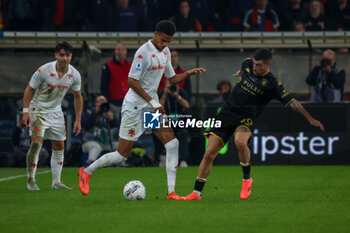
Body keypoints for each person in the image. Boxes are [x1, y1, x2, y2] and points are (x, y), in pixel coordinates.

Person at [78, 20, 206, 199]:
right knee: (121, 155)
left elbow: (172, 78)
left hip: (150, 107)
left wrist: (188, 73)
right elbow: (132, 81)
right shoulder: (143, 52)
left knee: (172, 143)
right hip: (134, 107)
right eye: (162, 40)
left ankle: (171, 192)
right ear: (155, 34)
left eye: (168, 42)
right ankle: (87, 171)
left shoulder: (166, 51)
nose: (164, 45)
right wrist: (153, 102)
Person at [182, 49, 325, 200]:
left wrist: (310, 118)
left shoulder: (272, 84)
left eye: (259, 65)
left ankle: (246, 179)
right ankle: (196, 193)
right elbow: (246, 62)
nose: (255, 67)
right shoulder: (248, 64)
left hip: (245, 118)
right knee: (209, 153)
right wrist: (240, 72)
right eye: (254, 64)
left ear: (268, 64)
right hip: (227, 112)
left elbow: (293, 102)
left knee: (240, 142)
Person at [22, 41, 83, 191]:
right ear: (56, 55)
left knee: (59, 146)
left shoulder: (74, 74)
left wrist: (78, 119)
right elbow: (29, 90)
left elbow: (78, 96)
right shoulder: (44, 70)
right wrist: (26, 111)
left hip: (56, 111)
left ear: (71, 57)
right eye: (61, 55)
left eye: (67, 55)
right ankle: (31, 180)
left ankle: (56, 182)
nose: (64, 58)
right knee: (37, 143)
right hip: (38, 109)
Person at [153, 80, 191, 167]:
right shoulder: (161, 93)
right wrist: (165, 94)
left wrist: (177, 96)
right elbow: (158, 109)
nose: (171, 85)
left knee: (183, 134)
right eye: (169, 83)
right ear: (166, 84)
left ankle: (182, 160)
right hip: (165, 122)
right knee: (159, 133)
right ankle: (161, 158)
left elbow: (187, 106)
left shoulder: (181, 92)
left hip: (179, 122)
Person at [82, 95, 118, 166]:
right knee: (96, 147)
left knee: (119, 146)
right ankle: (90, 163)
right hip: (90, 142)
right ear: (95, 103)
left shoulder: (110, 113)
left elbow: (117, 127)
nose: (101, 103)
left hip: (107, 143)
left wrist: (112, 119)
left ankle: (122, 164)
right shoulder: (89, 112)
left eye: (103, 101)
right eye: (99, 102)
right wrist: (95, 113)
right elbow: (85, 124)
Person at [100, 42, 131, 119]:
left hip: (128, 104)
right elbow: (104, 86)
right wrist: (108, 103)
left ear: (125, 51)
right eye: (118, 50)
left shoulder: (131, 66)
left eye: (122, 50)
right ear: (115, 51)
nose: (120, 52)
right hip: (113, 105)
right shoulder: (108, 66)